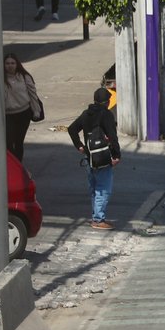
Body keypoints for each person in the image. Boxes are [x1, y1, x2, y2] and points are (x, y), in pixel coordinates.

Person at [67, 87, 121, 230]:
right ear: (107, 102)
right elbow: (113, 136)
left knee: (95, 188)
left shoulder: (86, 114)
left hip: (89, 157)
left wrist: (79, 146)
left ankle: (96, 216)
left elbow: (72, 129)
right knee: (103, 189)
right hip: (103, 157)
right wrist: (116, 155)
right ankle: (98, 220)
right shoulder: (106, 115)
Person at [3, 53, 41, 161]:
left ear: (17, 64)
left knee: (18, 142)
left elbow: (33, 94)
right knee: (8, 142)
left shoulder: (24, 77)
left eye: (12, 63)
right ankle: (12, 163)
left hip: (23, 114)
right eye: (7, 63)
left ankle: (18, 164)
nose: (10, 66)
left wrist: (36, 110)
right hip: (8, 115)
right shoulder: (0, 79)